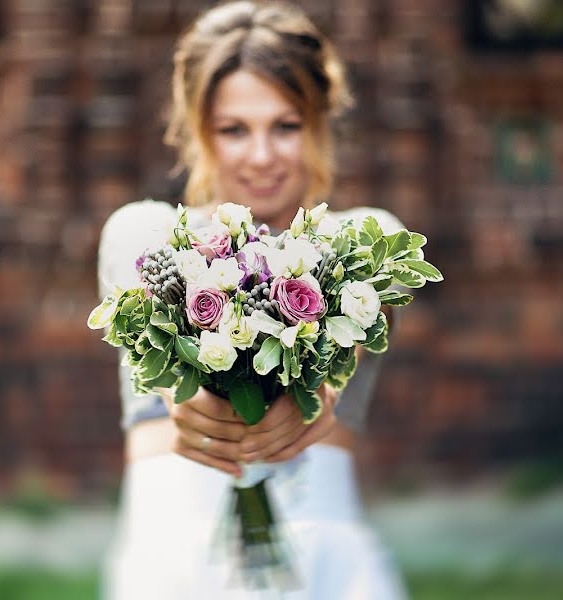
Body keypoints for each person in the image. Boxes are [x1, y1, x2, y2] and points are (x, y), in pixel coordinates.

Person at [97, 2, 409, 598]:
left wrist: (315, 394)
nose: (262, 156)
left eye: (286, 126)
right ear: (196, 131)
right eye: (233, 129)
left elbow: (346, 356)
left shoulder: (362, 242)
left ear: (320, 123)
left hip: (324, 556)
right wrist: (179, 391)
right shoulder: (149, 236)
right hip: (173, 555)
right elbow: (137, 289)